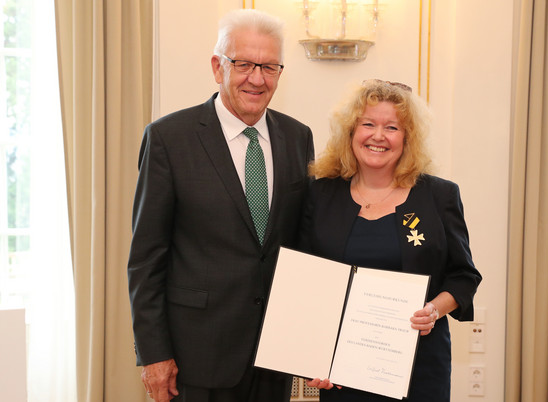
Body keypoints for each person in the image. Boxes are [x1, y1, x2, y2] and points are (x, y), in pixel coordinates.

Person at [127, 9, 314, 402]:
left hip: (273, 354)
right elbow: (146, 258)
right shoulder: (168, 139)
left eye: (269, 67)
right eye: (244, 64)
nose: (257, 79)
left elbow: (302, 244)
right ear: (218, 67)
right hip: (196, 356)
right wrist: (154, 354)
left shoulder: (298, 137)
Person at [299, 79, 482, 402]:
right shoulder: (320, 193)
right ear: (351, 132)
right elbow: (304, 279)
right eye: (368, 124)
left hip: (420, 367)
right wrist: (311, 355)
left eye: (392, 127)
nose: (378, 136)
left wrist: (434, 310)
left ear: (408, 138)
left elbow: (463, 276)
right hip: (342, 368)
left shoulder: (439, 196)